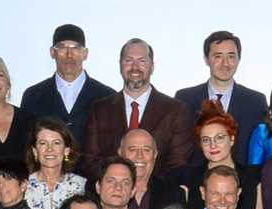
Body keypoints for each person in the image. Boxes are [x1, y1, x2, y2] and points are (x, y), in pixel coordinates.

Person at [81, 38, 195, 179]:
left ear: (152, 66)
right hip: (109, 197)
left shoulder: (176, 111)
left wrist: (144, 192)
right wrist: (115, 186)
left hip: (157, 198)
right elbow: (90, 161)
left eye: (142, 61)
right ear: (120, 65)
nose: (135, 67)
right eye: (129, 60)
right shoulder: (99, 110)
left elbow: (178, 163)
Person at [174, 30, 268, 168]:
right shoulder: (184, 99)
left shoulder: (256, 101)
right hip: (195, 182)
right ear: (206, 59)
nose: (225, 63)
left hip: (241, 183)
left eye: (231, 56)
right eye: (218, 56)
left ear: (238, 59)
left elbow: (259, 149)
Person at [18, 24, 115, 145]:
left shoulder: (107, 96)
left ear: (85, 54)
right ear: (52, 52)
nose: (69, 55)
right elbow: (26, 143)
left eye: (75, 48)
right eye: (62, 47)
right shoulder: (33, 96)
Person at [181, 107, 263, 209]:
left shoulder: (252, 176)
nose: (212, 145)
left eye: (219, 138)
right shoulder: (188, 177)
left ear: (232, 139)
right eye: (205, 140)